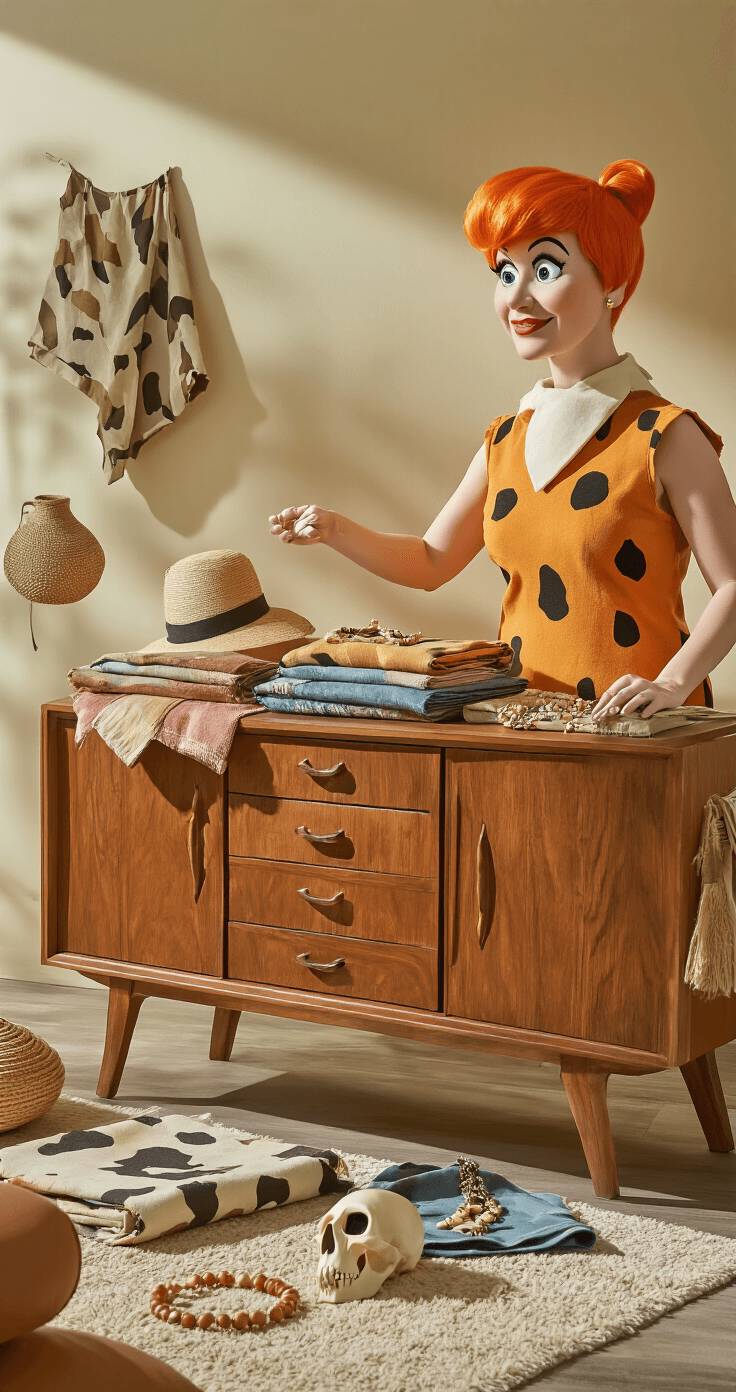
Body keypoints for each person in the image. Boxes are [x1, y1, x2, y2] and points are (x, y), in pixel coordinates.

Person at [269, 160, 736, 722]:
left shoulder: (666, 435)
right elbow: (430, 561)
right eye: (505, 272)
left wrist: (672, 683)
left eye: (544, 269)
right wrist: (337, 529)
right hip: (521, 727)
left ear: (612, 280)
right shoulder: (506, 441)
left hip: (640, 737)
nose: (516, 299)